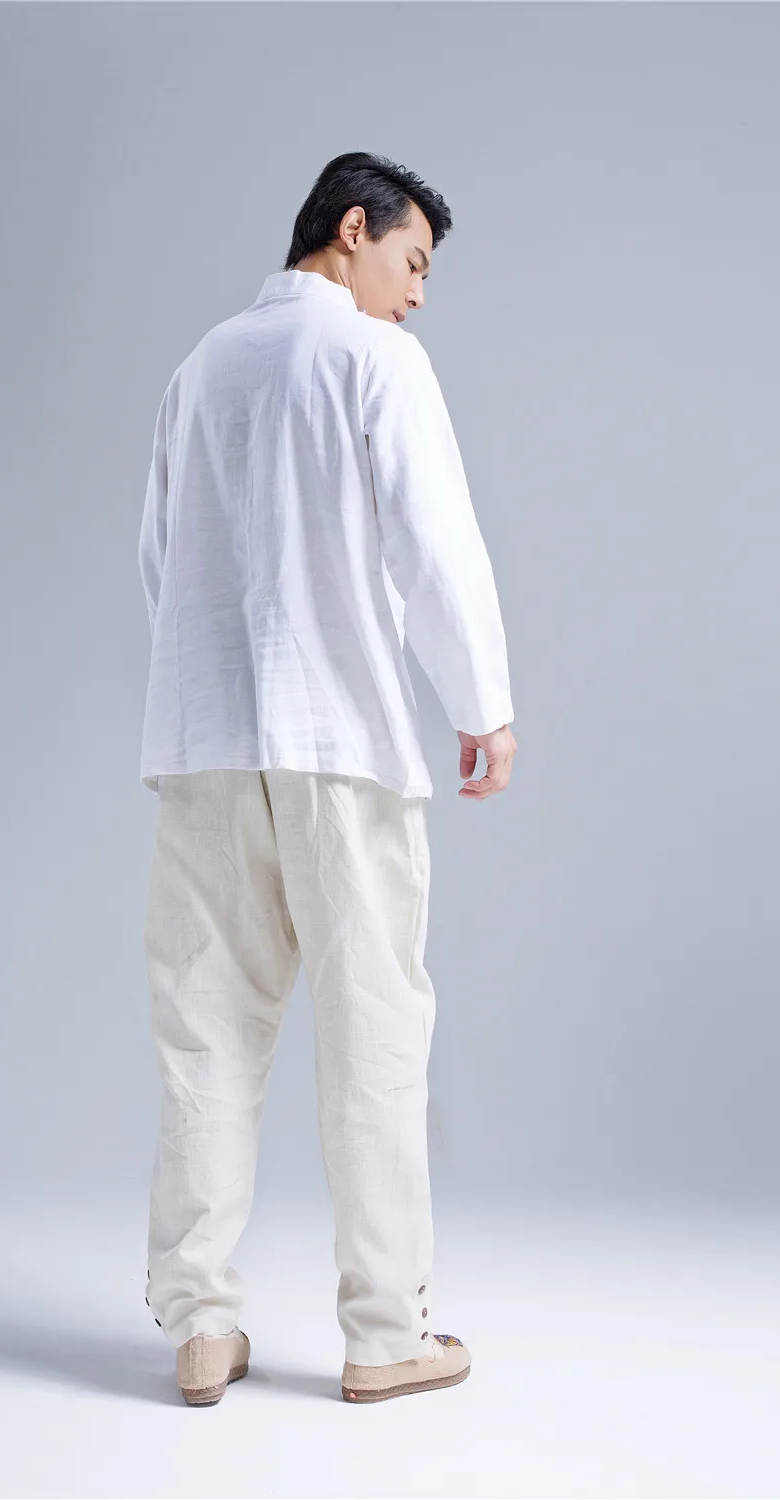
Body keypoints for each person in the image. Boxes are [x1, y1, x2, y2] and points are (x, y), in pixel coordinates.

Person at [137, 150, 517, 1406]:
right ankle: (382, 1332)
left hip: (202, 743)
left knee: (204, 1034)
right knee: (374, 1035)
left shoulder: (201, 367)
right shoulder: (372, 360)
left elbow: (160, 558)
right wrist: (482, 706)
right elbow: (434, 545)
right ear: (352, 229)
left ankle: (199, 1324)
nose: (418, 294)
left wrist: (207, 683)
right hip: (338, 742)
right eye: (413, 261)